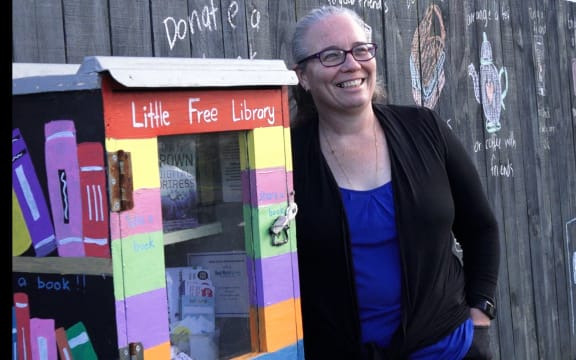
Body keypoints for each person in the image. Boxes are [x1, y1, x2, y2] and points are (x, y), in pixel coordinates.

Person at [289, 6, 500, 360]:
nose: (351, 64)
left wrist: (480, 314)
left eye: (360, 49)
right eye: (330, 55)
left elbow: (481, 227)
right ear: (304, 77)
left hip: (449, 349)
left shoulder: (425, 130)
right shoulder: (287, 159)